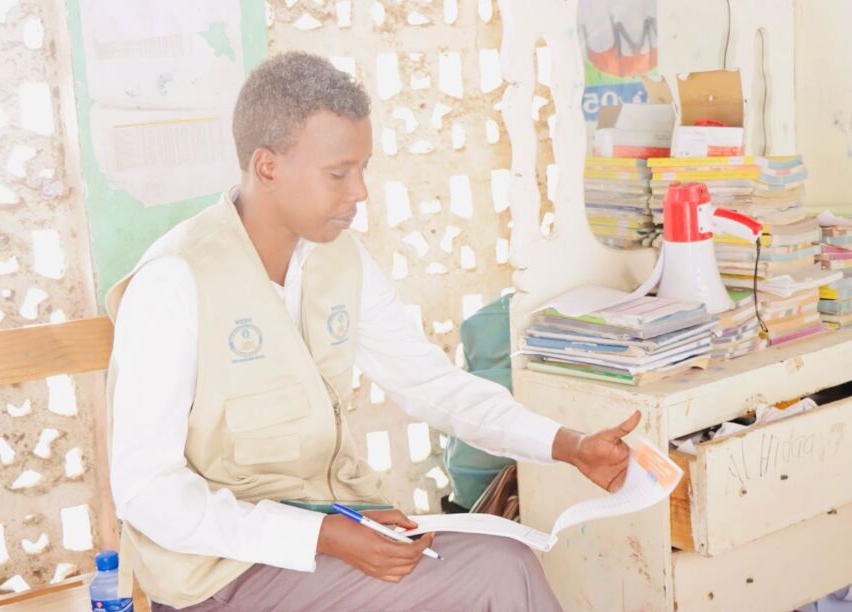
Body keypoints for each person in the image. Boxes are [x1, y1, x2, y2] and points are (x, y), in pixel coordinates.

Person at [106, 51, 641, 612]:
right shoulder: (175, 281)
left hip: (334, 531)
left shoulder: (340, 259)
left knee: (500, 561)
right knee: (498, 571)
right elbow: (146, 492)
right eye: (338, 173)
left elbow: (431, 384)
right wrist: (320, 535)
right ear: (267, 167)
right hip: (219, 576)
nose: (360, 191)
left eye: (362, 169)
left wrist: (568, 445)